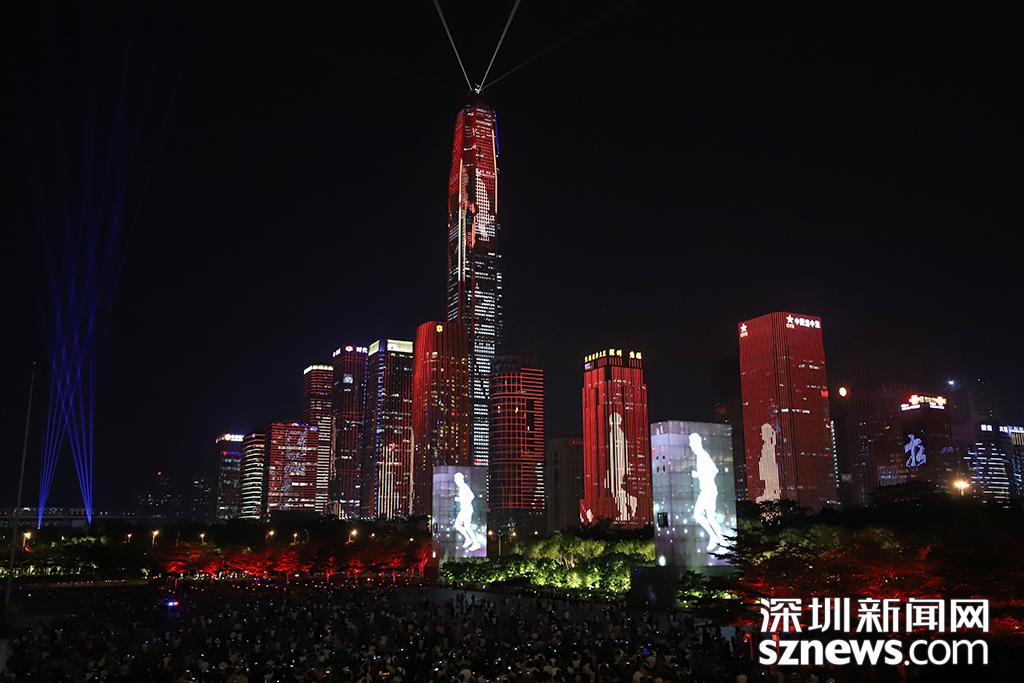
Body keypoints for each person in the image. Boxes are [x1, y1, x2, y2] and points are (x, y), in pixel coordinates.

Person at [690, 432, 725, 552]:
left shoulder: (702, 455)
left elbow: (714, 470)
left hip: (708, 490)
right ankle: (718, 538)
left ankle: (719, 539)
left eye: (691, 443)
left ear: (696, 443)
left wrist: (697, 474)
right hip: (707, 490)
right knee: (707, 517)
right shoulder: (701, 455)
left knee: (701, 515)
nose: (690, 446)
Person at [453, 471, 481, 551]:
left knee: (466, 527)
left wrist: (465, 502)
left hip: (466, 509)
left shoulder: (464, 487)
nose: (455, 481)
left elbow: (472, 496)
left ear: (459, 479)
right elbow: (466, 497)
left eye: (455, 479)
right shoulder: (462, 487)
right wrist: (459, 499)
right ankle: (469, 539)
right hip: (464, 509)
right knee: (458, 525)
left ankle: (475, 543)